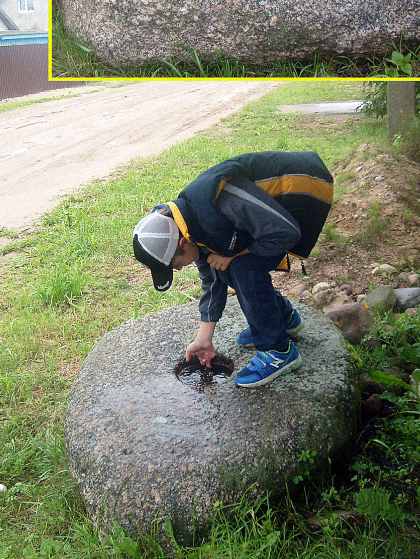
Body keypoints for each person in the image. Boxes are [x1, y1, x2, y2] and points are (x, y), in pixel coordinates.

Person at [133, 151, 333, 388]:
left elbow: (285, 232)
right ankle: (282, 317)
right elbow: (212, 278)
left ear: (182, 244)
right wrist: (203, 338)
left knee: (240, 268)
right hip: (275, 212)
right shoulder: (188, 224)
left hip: (307, 186)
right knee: (225, 266)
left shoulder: (219, 202)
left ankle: (277, 351)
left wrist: (234, 253)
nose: (178, 270)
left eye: (176, 265)